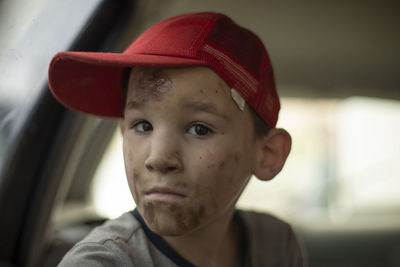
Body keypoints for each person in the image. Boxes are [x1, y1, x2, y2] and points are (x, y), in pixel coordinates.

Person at [49, 11, 303, 267]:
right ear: (124, 133)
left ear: (268, 154)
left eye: (199, 129)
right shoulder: (101, 262)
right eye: (143, 125)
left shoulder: (275, 244)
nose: (158, 158)